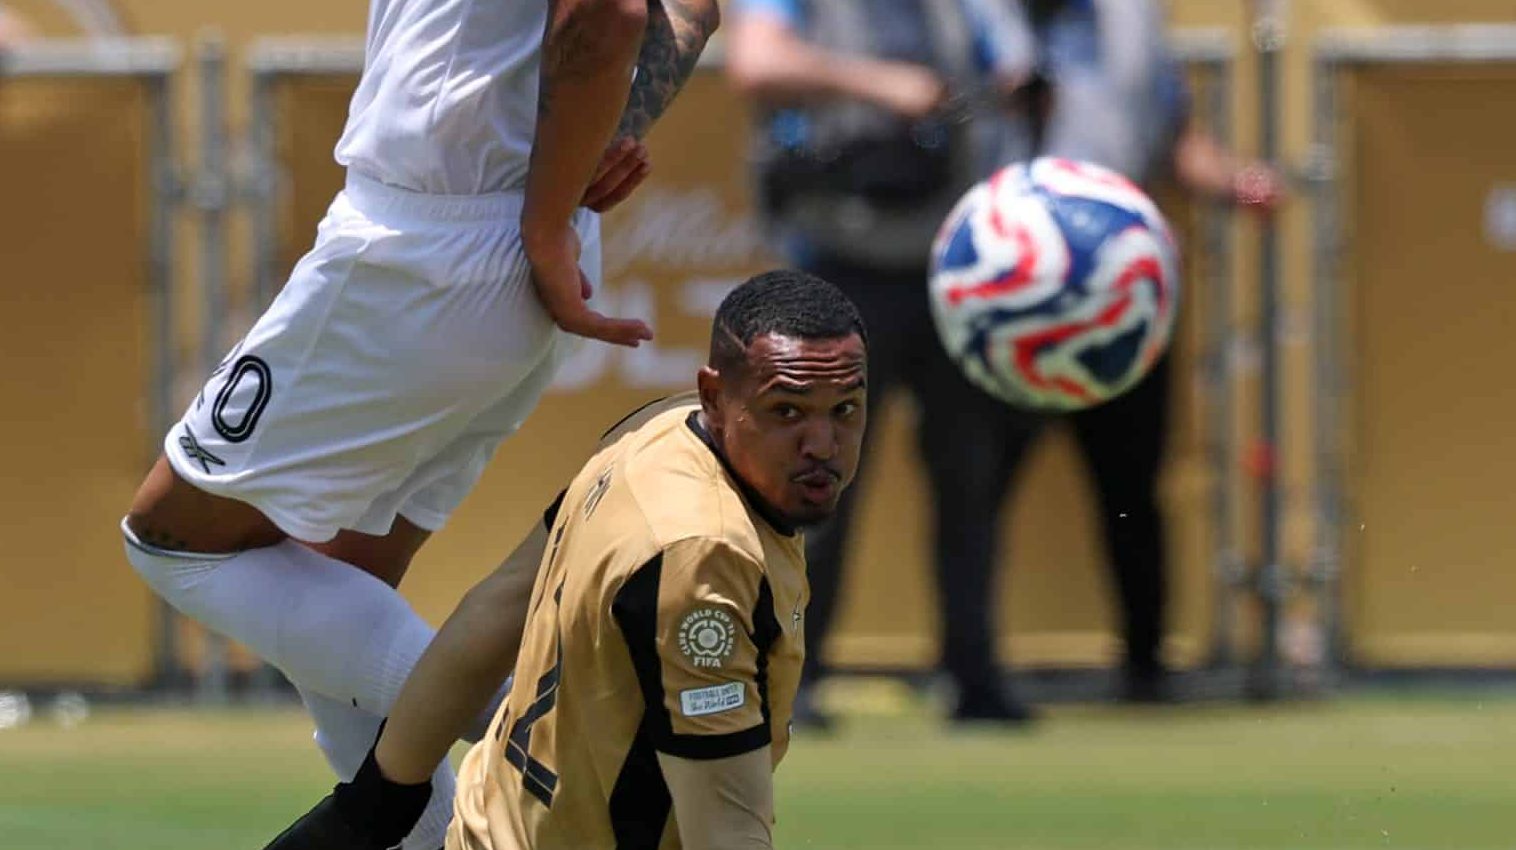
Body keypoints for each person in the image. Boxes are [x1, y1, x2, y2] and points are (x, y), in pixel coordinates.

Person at [120, 1, 719, 847]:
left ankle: (580, 757)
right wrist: (569, 172)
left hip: (428, 247)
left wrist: (546, 215)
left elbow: (611, 11)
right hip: (500, 240)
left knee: (172, 540)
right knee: (343, 570)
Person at [261, 270, 869, 850]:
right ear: (713, 395)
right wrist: (372, 808)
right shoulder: (703, 557)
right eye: (787, 411)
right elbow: (726, 834)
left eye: (844, 409)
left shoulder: (657, 432)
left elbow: (499, 604)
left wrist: (374, 802)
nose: (822, 445)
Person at [725, 0, 1044, 725]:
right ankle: (791, 678)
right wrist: (880, 84)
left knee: (970, 483)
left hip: (952, 264)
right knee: (814, 478)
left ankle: (974, 680)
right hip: (834, 261)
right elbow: (756, 62)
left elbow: (1014, 66)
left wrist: (1011, 85)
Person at [993, 0, 1284, 702]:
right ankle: (970, 670)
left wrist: (1235, 181)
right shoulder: (974, 18)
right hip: (1002, 304)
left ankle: (1146, 665)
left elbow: (1176, 141)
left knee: (1130, 489)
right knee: (974, 487)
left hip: (1115, 304)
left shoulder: (1132, 23)